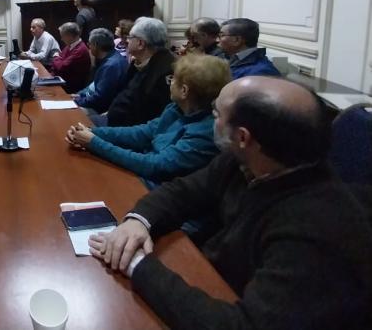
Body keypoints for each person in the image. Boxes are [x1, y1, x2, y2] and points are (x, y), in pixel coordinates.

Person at [88, 77, 372, 329]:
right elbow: (184, 191)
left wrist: (137, 264)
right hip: (214, 277)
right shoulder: (249, 159)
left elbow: (240, 324)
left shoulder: (317, 230)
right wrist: (139, 220)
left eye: (216, 114)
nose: (211, 119)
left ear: (243, 137)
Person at [66, 54, 231, 184]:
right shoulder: (176, 108)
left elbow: (154, 166)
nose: (170, 83)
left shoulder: (206, 132)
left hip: (156, 191)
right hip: (141, 177)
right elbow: (142, 133)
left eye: (172, 79)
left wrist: (94, 142)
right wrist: (92, 133)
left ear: (184, 91)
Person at [103, 18, 176, 127]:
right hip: (116, 122)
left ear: (141, 43)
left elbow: (152, 118)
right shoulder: (140, 62)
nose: (127, 40)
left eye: (130, 37)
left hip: (130, 133)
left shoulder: (166, 71)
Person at [73, 28, 128, 114]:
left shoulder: (111, 66)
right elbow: (94, 85)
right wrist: (79, 95)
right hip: (93, 102)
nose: (89, 47)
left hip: (101, 110)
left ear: (95, 45)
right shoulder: (111, 58)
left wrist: (77, 102)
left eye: (89, 44)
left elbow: (99, 98)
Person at [51, 22, 92, 93]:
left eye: (62, 36)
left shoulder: (80, 50)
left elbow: (62, 67)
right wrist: (58, 59)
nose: (61, 39)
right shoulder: (70, 45)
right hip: (61, 81)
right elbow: (58, 64)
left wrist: (55, 57)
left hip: (70, 88)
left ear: (69, 36)